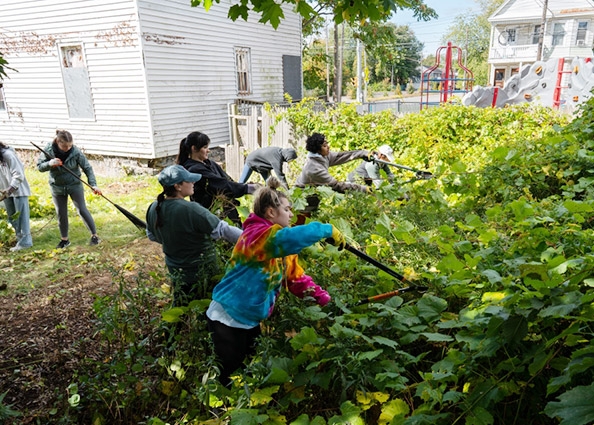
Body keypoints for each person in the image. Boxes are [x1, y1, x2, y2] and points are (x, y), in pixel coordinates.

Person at [206, 176, 346, 386]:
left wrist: (325, 299)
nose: (291, 215)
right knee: (226, 375)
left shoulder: (280, 248)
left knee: (250, 368)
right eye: (287, 209)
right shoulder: (257, 235)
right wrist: (325, 229)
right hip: (227, 316)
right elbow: (289, 238)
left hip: (249, 318)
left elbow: (296, 280)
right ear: (271, 212)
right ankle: (218, 411)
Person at [146, 165, 242, 306]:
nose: (193, 183)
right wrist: (256, 239)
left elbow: (152, 236)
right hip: (203, 272)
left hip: (176, 272)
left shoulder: (154, 208)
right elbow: (224, 230)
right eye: (189, 180)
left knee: (182, 305)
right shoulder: (192, 209)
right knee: (211, 306)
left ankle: (179, 327)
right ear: (178, 186)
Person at [37, 129, 102, 248]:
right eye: (65, 146)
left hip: (74, 185)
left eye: (70, 145)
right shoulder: (48, 150)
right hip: (57, 186)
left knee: (82, 209)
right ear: (58, 142)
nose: (68, 148)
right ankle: (64, 240)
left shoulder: (76, 152)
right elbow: (40, 167)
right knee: (61, 213)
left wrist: (93, 184)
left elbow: (87, 168)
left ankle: (95, 236)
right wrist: (50, 164)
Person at [176, 131, 258, 225]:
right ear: (194, 148)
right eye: (205, 147)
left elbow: (227, 180)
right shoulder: (194, 170)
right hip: (212, 215)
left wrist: (241, 186)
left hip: (228, 210)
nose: (208, 150)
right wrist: (247, 188)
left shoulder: (210, 163)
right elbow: (221, 185)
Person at [0, 142, 33, 251]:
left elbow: (18, 175)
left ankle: (26, 242)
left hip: (18, 190)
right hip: (5, 192)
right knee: (12, 217)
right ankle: (20, 240)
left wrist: (9, 190)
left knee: (21, 217)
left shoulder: (9, 155)